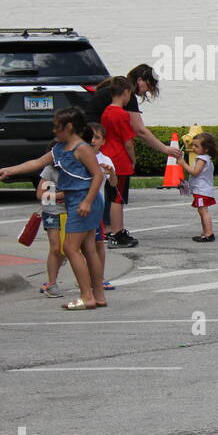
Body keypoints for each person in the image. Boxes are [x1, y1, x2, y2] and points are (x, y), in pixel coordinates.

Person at [0, 108, 105, 309]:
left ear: (70, 127)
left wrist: (87, 202)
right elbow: (37, 163)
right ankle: (98, 296)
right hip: (75, 199)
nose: (54, 131)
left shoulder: (81, 148)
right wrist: (9, 170)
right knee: (88, 247)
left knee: (70, 248)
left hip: (83, 200)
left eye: (57, 127)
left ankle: (87, 296)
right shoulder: (59, 149)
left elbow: (97, 176)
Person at [83, 63, 182, 248]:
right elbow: (138, 132)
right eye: (147, 86)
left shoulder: (108, 97)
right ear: (139, 81)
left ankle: (103, 230)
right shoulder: (123, 103)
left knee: (103, 192)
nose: (144, 92)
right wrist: (164, 149)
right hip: (115, 156)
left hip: (97, 147)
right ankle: (115, 232)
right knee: (117, 196)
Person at [97, 76, 136, 247]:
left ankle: (114, 230)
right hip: (120, 160)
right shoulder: (122, 114)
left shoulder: (106, 112)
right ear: (126, 92)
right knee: (118, 198)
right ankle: (117, 232)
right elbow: (128, 142)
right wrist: (133, 160)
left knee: (111, 196)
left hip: (107, 157)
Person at [87, 123, 115, 289]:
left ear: (103, 141)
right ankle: (84, 277)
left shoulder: (105, 160)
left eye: (97, 137)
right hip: (81, 205)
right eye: (90, 137)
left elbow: (113, 183)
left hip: (97, 208)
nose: (92, 140)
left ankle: (99, 277)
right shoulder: (80, 157)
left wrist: (111, 172)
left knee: (98, 244)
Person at [179, 131, 218, 242]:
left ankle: (209, 234)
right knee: (201, 210)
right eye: (193, 145)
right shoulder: (206, 159)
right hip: (202, 190)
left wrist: (183, 164)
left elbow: (195, 172)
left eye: (197, 146)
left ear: (206, 149)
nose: (194, 148)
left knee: (203, 211)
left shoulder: (202, 159)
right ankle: (205, 232)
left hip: (202, 191)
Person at [34, 163, 66, 298]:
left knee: (67, 249)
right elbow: (40, 194)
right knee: (55, 248)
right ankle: (52, 284)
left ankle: (53, 278)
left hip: (71, 213)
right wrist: (61, 195)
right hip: (52, 213)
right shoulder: (50, 169)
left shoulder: (77, 167)